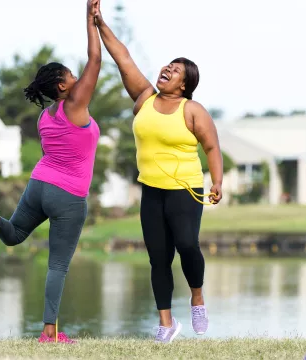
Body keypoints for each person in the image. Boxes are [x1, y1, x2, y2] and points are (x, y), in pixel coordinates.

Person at [0, 0, 102, 344]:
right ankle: (49, 334)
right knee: (57, 266)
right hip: (68, 196)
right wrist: (91, 20)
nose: (76, 77)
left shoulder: (45, 117)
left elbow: (49, 152)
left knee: (13, 235)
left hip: (39, 184)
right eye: (71, 75)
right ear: (62, 86)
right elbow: (96, 60)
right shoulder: (75, 105)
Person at [92, 1, 223, 343]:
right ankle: (166, 324)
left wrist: (218, 181)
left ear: (184, 84)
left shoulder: (192, 110)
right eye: (168, 64)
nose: (167, 68)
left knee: (186, 244)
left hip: (186, 189)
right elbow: (123, 58)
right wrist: (100, 23)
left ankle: (196, 296)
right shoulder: (143, 99)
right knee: (158, 258)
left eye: (176, 69)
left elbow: (211, 147)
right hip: (151, 190)